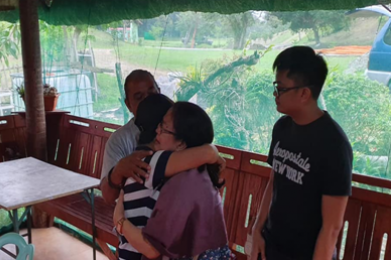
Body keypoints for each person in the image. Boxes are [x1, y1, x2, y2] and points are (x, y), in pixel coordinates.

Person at [246, 46, 353, 260]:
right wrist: (257, 230)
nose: (275, 94)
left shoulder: (334, 144)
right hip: (271, 245)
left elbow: (332, 226)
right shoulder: (282, 128)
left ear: (304, 93)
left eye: (281, 88)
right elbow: (274, 181)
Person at [114, 102, 232, 260]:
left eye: (163, 127)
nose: (158, 131)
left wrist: (119, 221)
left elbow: (151, 249)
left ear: (181, 143)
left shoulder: (169, 171)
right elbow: (209, 153)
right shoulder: (199, 175)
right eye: (159, 125)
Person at [100, 70, 160, 205]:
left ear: (160, 92)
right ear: (128, 104)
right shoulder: (120, 140)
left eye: (152, 93)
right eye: (139, 97)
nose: (147, 101)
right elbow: (108, 196)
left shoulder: (177, 128)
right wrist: (118, 171)